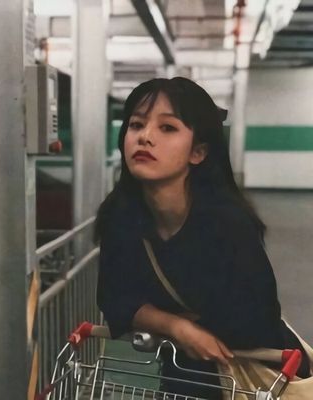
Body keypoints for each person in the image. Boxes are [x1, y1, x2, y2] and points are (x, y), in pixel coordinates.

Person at [95, 77, 310, 399]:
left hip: (259, 374)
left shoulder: (227, 222)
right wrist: (177, 326)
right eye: (136, 124)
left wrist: (151, 315)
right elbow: (113, 298)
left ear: (198, 152)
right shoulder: (120, 216)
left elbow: (255, 320)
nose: (145, 137)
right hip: (184, 371)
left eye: (167, 128)